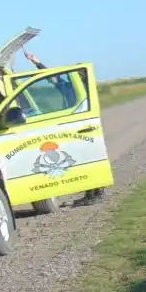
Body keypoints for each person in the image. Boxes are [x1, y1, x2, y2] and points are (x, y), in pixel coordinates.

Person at [22, 48, 106, 206]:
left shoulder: (84, 90)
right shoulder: (70, 87)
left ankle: (97, 192)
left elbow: (53, 78)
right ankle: (91, 193)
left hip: (86, 126)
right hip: (78, 126)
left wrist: (36, 61)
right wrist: (35, 61)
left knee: (90, 159)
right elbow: (51, 77)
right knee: (85, 160)